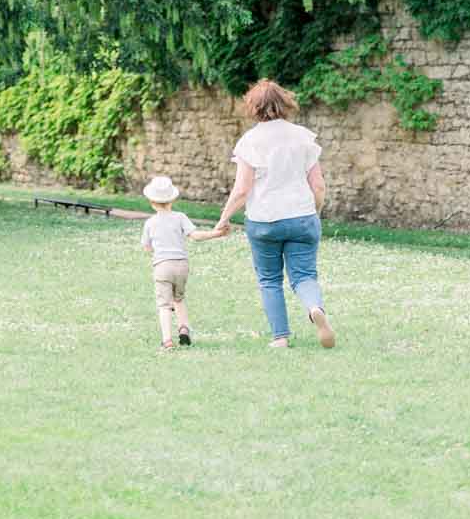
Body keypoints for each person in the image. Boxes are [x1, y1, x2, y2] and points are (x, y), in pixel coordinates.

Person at [209, 79, 336, 351]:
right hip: (302, 216)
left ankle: (280, 337)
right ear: (284, 103)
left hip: (264, 220)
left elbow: (242, 189)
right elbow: (319, 184)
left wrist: (224, 218)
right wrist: (315, 211)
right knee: (304, 276)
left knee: (270, 280)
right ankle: (314, 308)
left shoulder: (250, 141)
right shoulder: (303, 136)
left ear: (253, 107)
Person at [140, 173, 219, 352]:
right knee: (179, 298)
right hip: (182, 265)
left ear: (151, 202)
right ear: (172, 200)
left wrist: (156, 251)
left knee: (164, 305)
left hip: (162, 266)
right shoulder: (180, 217)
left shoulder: (150, 223)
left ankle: (167, 340)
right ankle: (184, 327)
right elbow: (195, 236)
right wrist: (216, 233)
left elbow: (146, 246)